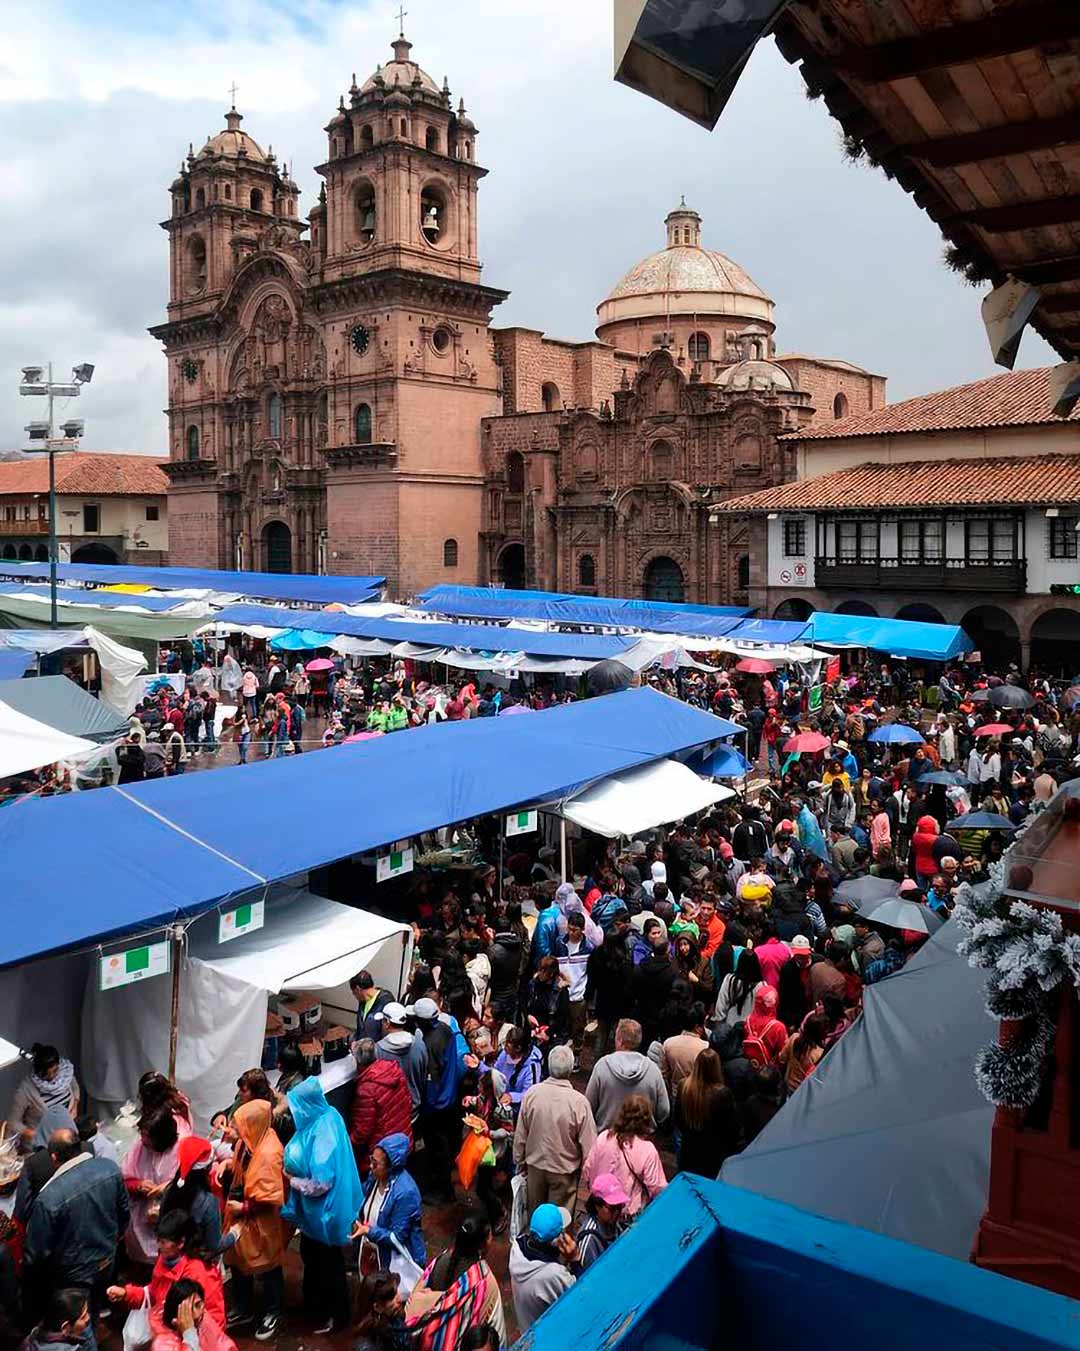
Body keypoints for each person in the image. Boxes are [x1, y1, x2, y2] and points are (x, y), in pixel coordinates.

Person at [22, 1129, 129, 1344]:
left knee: (80, 1325)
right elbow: (124, 1214)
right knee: (93, 1311)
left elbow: (36, 1255)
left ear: (54, 1158)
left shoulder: (49, 1198)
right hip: (107, 1260)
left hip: (73, 1275)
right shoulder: (109, 1168)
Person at [282, 1079, 363, 1337]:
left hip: (324, 1213)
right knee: (316, 1257)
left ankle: (336, 1315)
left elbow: (321, 1183)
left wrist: (291, 1181)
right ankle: (317, 1306)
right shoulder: (330, 1114)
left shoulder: (321, 1134)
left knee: (327, 1264)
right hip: (324, 1212)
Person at [224, 1100, 286, 1341]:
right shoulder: (248, 1140)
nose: (236, 1131)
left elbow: (271, 1197)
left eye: (240, 1126)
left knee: (268, 1266)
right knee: (239, 1261)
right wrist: (227, 1165)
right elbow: (241, 1166)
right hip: (242, 1218)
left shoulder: (270, 1153)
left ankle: (274, 1312)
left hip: (262, 1222)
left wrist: (244, 1207)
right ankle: (243, 1307)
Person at [107, 1209, 226, 1331]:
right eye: (158, 1240)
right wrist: (126, 1293)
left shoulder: (198, 1273)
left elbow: (212, 1321)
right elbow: (153, 1293)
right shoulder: (164, 1260)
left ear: (180, 1243)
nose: (159, 1246)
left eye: (163, 1242)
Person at [513, 1044, 596, 1214]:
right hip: (564, 1172)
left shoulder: (532, 1094)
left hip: (534, 1167)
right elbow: (590, 1147)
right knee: (560, 1223)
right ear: (571, 1068)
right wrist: (590, 1177)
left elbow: (521, 1134)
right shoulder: (579, 1103)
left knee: (535, 1217)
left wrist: (519, 1161)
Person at [404, 1213, 506, 1350]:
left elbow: (421, 1293)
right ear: (485, 1242)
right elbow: (496, 1327)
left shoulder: (441, 1260)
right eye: (490, 1235)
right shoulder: (483, 1282)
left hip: (425, 1342)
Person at [582, 1094, 666, 1219]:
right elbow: (658, 1190)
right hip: (626, 1219)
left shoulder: (604, 1137)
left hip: (599, 1212)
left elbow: (587, 1172)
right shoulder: (648, 1150)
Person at [352, 1134, 425, 1274]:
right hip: (374, 1251)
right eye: (371, 1160)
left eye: (376, 1164)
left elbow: (398, 1237)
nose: (371, 1167)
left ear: (391, 1167)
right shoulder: (375, 1177)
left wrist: (369, 1231)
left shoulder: (405, 1193)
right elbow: (363, 1194)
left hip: (395, 1262)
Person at [585, 1019, 669, 1131]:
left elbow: (588, 1105)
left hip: (607, 1136)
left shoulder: (602, 1066)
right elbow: (664, 1110)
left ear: (619, 1040)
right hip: (642, 1139)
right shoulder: (653, 1070)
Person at [122, 1107, 182, 1264]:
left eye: (147, 1138)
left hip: (170, 1216)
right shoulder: (139, 1149)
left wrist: (165, 1189)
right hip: (141, 1215)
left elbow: (189, 1184)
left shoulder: (180, 1151)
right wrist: (138, 1185)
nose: (143, 1141)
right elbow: (125, 1178)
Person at [508, 1203, 577, 1333]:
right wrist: (574, 1259)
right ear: (557, 1241)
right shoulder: (552, 1274)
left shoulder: (517, 1248)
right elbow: (578, 1294)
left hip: (526, 1326)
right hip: (547, 1335)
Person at [673, 1047, 741, 1177]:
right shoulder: (722, 1094)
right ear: (717, 1067)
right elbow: (731, 1129)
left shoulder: (684, 1087)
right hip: (714, 1155)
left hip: (689, 1151)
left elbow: (678, 1120)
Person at [350, 1039, 413, 1177]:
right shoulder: (395, 1070)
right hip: (403, 1137)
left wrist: (349, 1143)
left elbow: (362, 1131)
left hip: (384, 1150)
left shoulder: (366, 1090)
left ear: (359, 1062)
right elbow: (407, 1101)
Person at [158, 1138, 223, 1258]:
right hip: (194, 1266)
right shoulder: (209, 1202)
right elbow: (214, 1245)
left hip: (168, 1260)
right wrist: (233, 1235)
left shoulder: (170, 1190)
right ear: (206, 1169)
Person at [7, 1045, 80, 1150]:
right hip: (42, 1146)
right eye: (45, 1074)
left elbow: (75, 1087)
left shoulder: (65, 1076)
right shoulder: (26, 1089)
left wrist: (75, 1107)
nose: (51, 1077)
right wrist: (36, 1134)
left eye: (55, 1071)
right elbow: (13, 1123)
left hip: (67, 1140)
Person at [375, 1003, 428, 1127]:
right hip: (413, 1112)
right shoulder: (419, 1045)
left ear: (387, 1022)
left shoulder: (378, 1051)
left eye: (382, 1021)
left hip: (389, 1115)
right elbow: (423, 1075)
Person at [151, 1278, 236, 1351]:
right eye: (188, 1309)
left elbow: (224, 1345)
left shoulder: (203, 1318)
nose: (196, 1314)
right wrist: (189, 1333)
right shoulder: (162, 1344)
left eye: (198, 1305)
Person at [658, 1003, 708, 1108]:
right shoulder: (705, 1047)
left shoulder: (668, 1043)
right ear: (697, 1027)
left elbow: (663, 1075)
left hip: (675, 1097)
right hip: (698, 1097)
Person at [574, 1173, 628, 1271]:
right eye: (612, 1208)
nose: (617, 1213)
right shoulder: (589, 1239)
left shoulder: (616, 1226)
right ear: (597, 1205)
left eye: (619, 1207)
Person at [492, 1026, 543, 1118]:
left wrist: (512, 1097)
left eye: (508, 1044)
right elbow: (495, 1072)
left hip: (519, 1108)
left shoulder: (532, 1066)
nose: (505, 1046)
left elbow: (531, 1094)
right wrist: (479, 1066)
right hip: (501, 1100)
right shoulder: (504, 1054)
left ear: (518, 1048)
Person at [780, 1013, 829, 1093]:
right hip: (801, 1091)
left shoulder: (794, 1038)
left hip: (787, 1084)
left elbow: (782, 1058)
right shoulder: (819, 1054)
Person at [352, 971, 395, 1041]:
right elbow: (360, 1027)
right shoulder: (363, 1001)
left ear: (358, 989)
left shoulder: (386, 1001)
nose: (355, 997)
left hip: (377, 1048)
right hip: (363, 1047)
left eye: (354, 993)